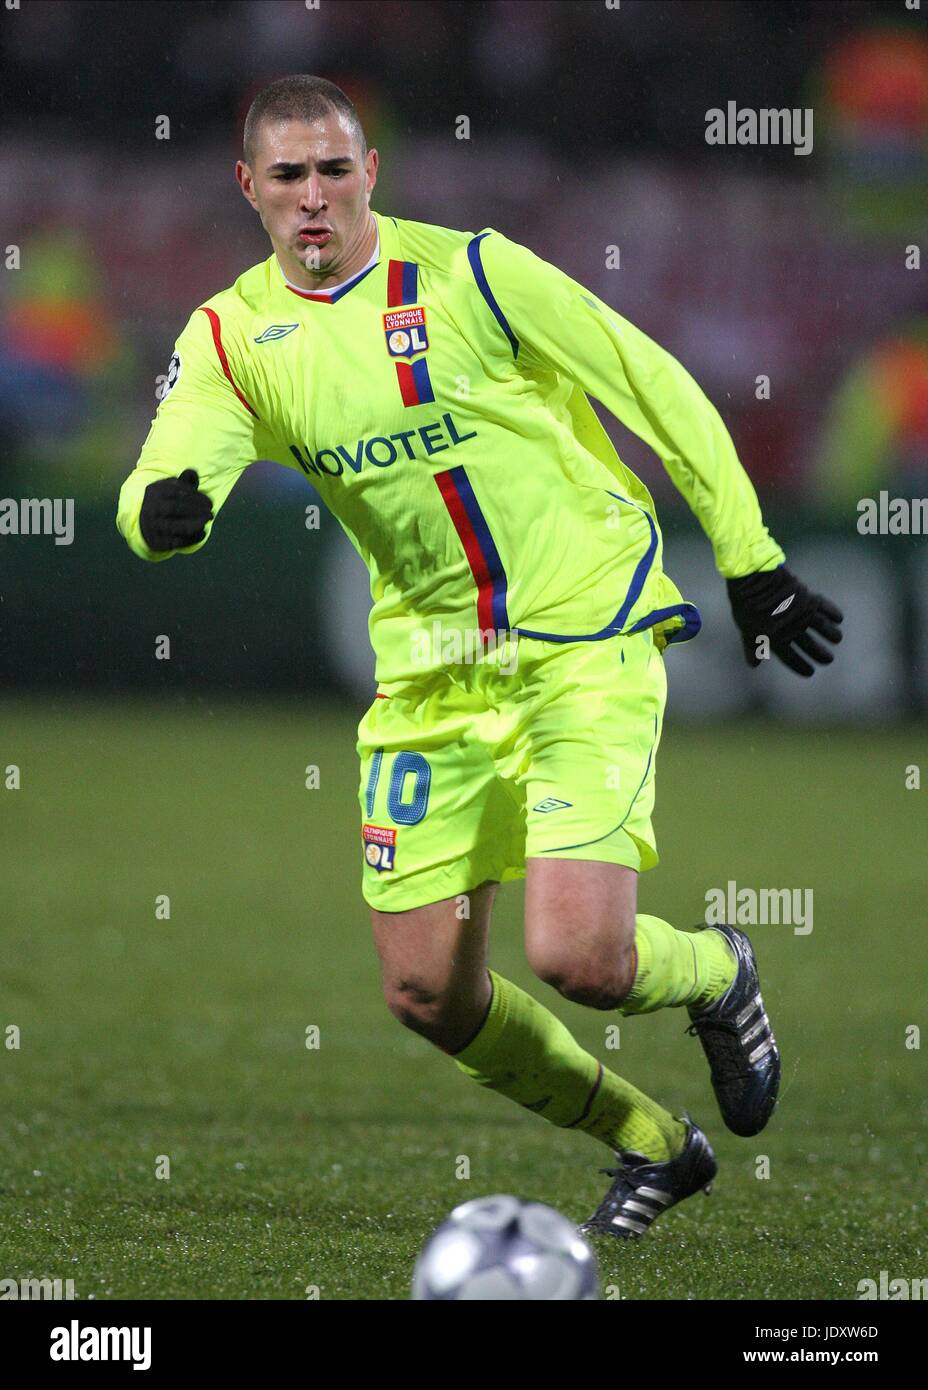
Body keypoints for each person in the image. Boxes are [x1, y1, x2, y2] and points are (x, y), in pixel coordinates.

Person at [117, 75, 843, 1240]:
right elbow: (167, 467)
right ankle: (654, 1145)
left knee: (578, 955)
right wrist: (165, 510)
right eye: (289, 176)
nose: (315, 197)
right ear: (247, 186)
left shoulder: (474, 272)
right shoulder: (230, 335)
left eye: (335, 169)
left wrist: (749, 558)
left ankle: (715, 970)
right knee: (426, 994)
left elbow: (649, 381)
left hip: (582, 636)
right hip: (428, 682)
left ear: (371, 173)